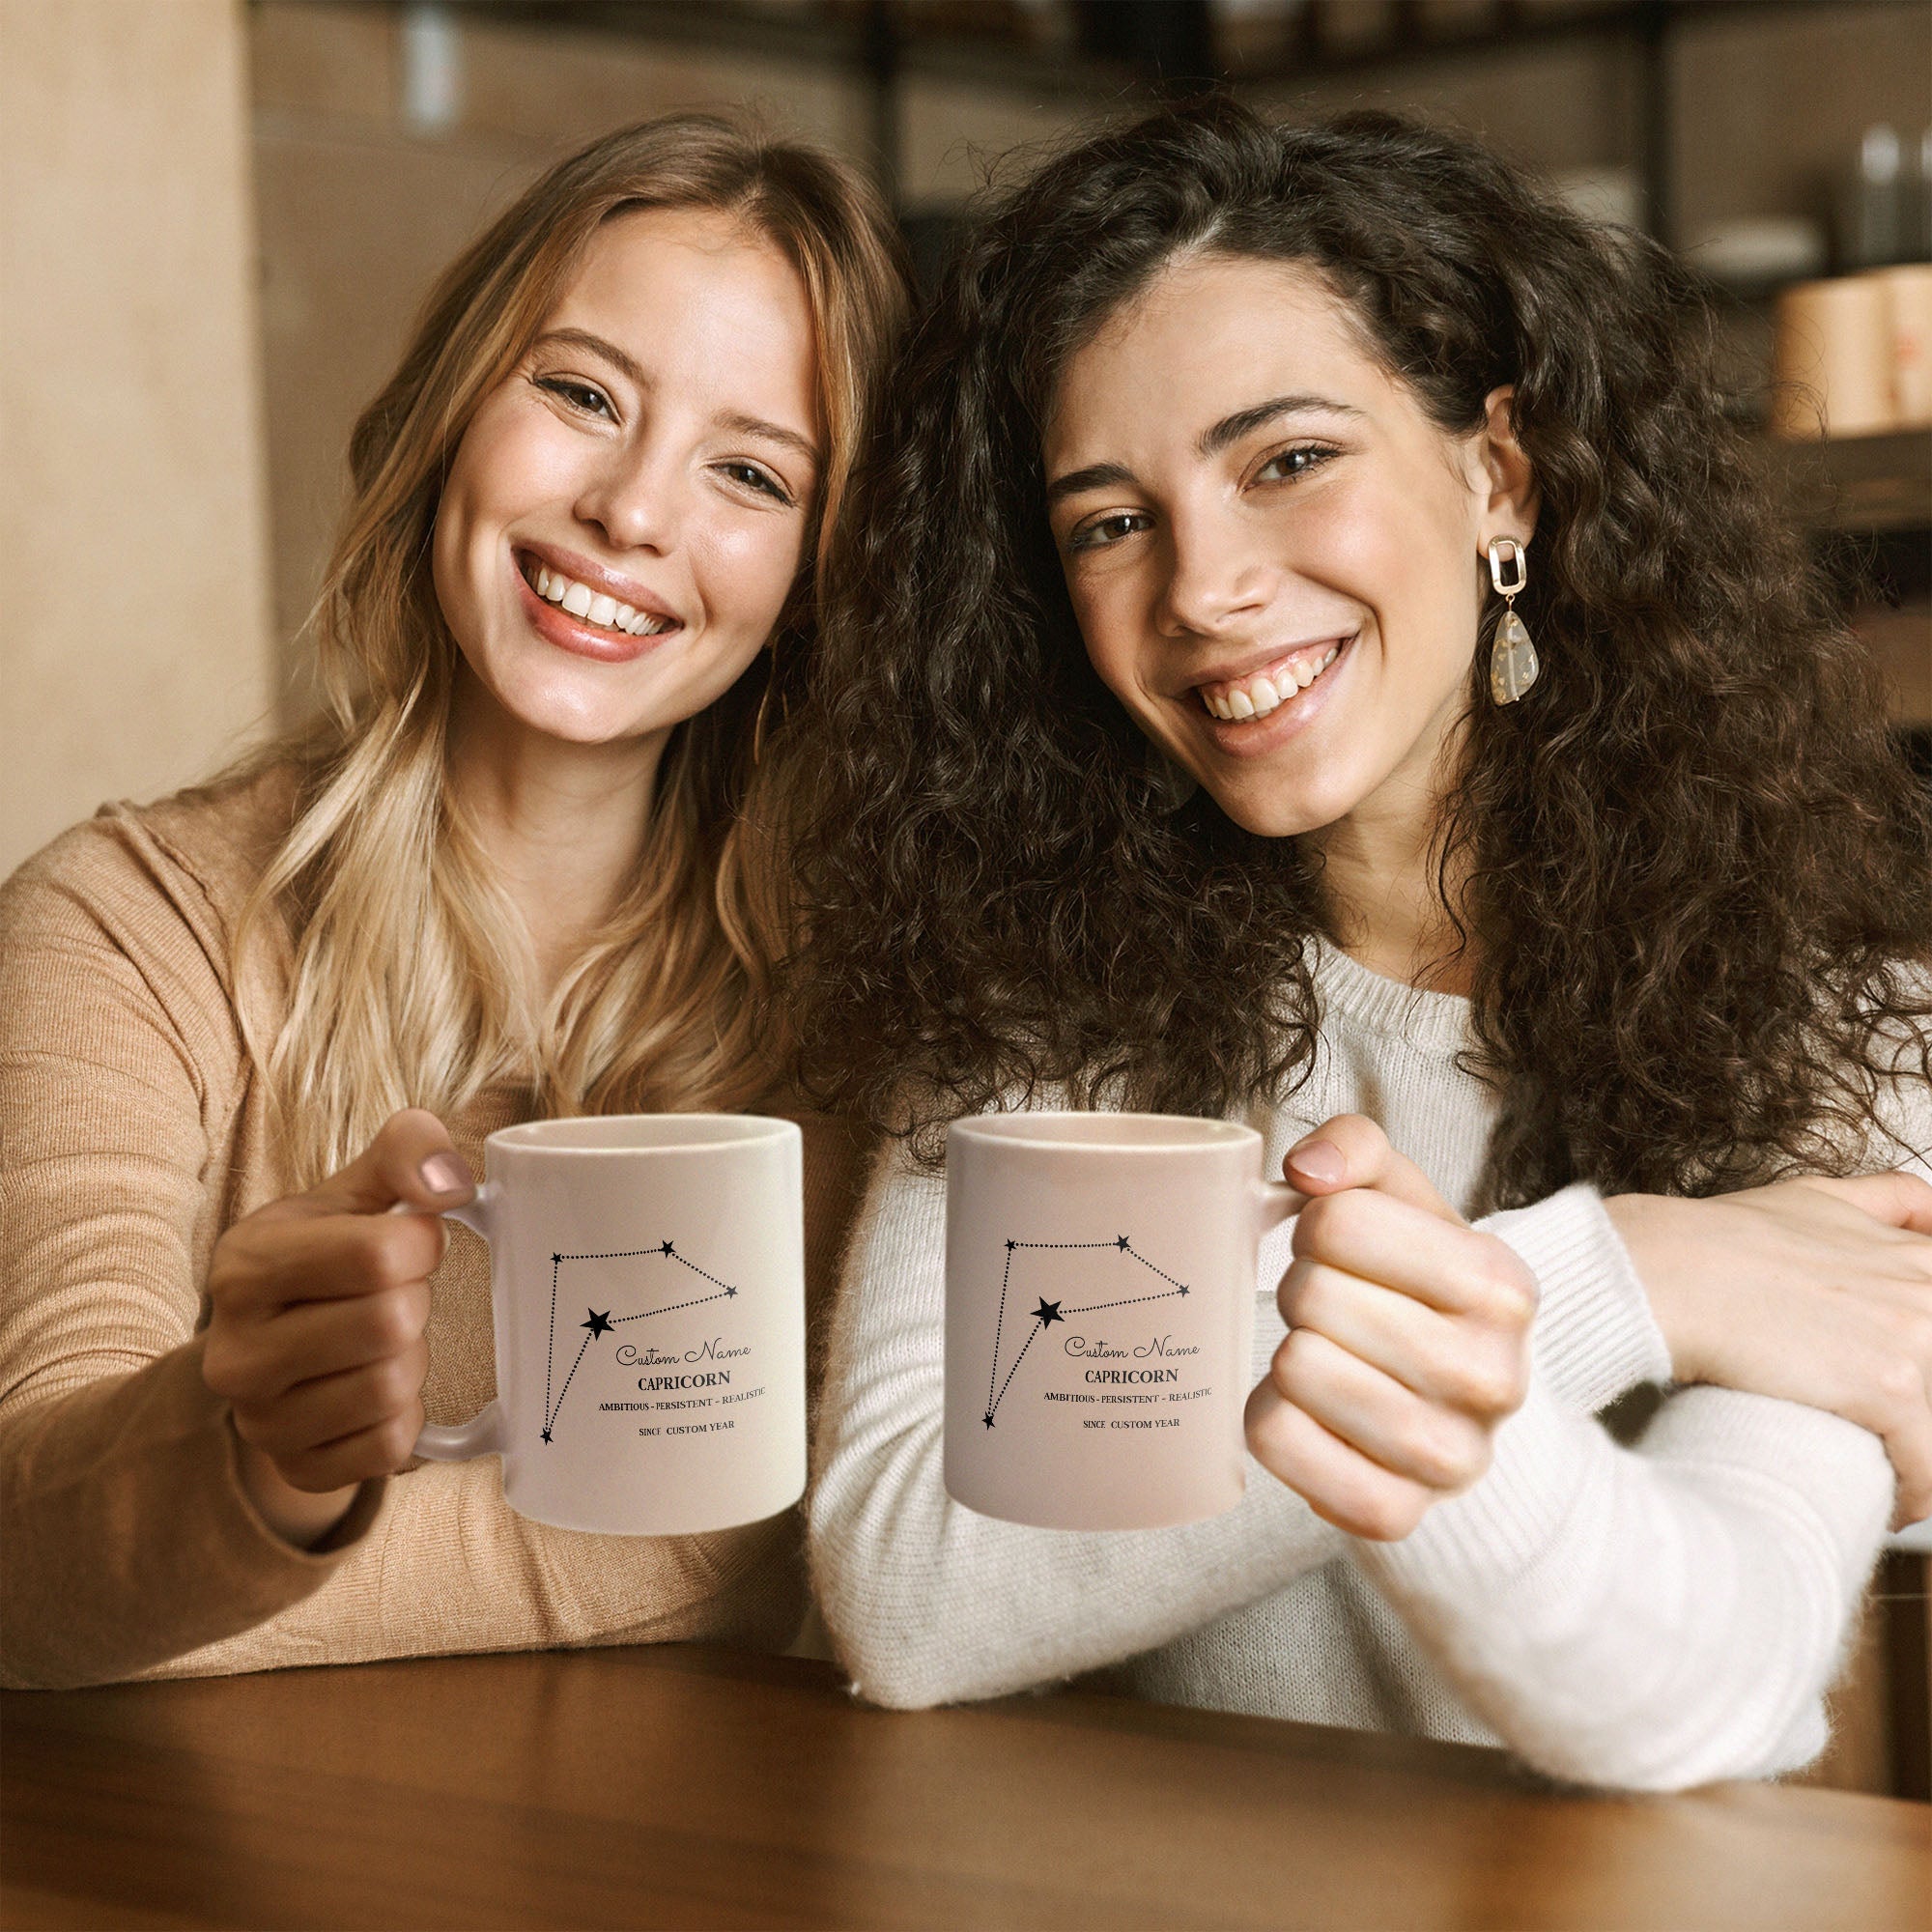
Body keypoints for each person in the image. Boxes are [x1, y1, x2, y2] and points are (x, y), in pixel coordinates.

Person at [787, 100, 1932, 1790]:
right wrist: (1622, 1277)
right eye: (1111, 520)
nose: (1203, 586)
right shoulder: (1044, 1008)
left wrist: (1481, 1306)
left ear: (1499, 476)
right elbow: (906, 1591)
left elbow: (1701, 1684)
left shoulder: (1846, 1023)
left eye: (1286, 461)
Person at [0, 115, 908, 1689]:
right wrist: (261, 1465)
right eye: (580, 394)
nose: (633, 510)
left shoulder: (860, 1004)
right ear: (448, 417)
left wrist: (228, 1570)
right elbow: (31, 1554)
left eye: (750, 472)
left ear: (819, 573)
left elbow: (791, 1514)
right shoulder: (122, 927)